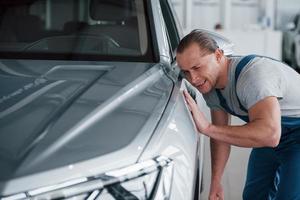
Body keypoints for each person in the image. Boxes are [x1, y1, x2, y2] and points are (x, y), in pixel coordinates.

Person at [176, 29, 300, 200]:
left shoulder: (253, 77)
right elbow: (221, 135)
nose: (194, 79)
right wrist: (216, 182)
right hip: (273, 132)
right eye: (186, 72)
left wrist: (207, 128)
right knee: (254, 196)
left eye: (197, 67)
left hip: (288, 134)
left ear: (218, 55)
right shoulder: (210, 85)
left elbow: (270, 134)